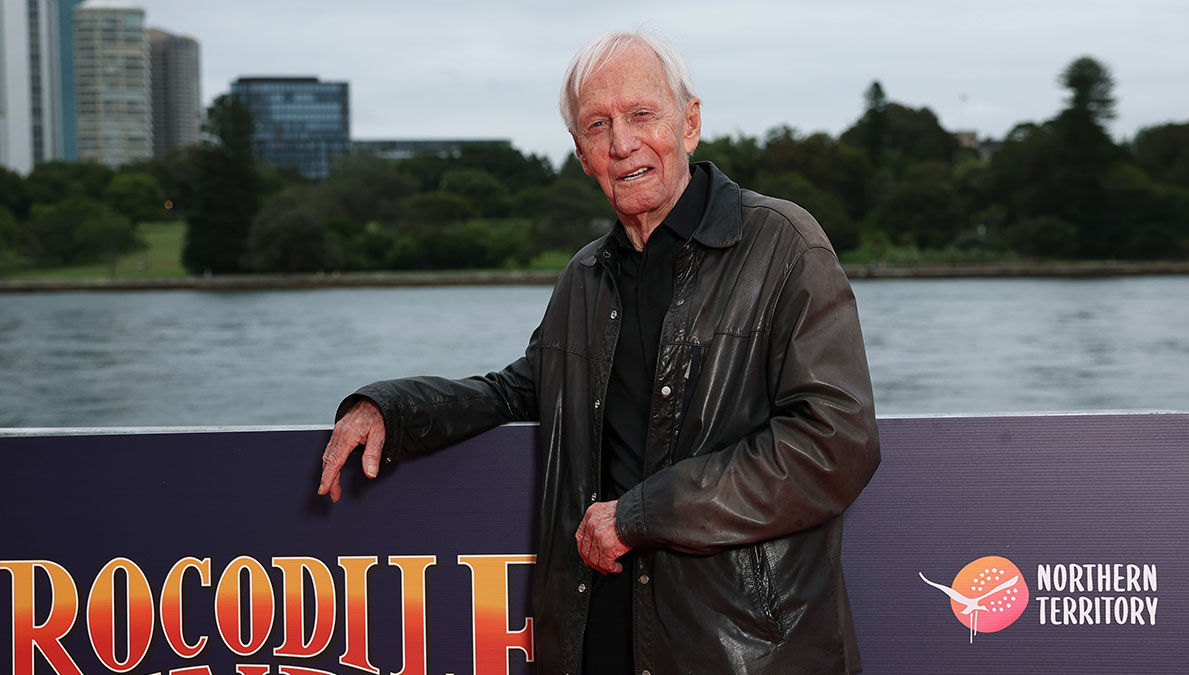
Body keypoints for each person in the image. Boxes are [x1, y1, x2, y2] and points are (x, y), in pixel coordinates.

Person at [319, 30, 880, 675]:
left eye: (642, 115)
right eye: (598, 126)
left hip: (746, 651)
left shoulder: (784, 246)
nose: (622, 144)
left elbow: (837, 444)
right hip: (600, 637)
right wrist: (391, 410)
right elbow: (522, 389)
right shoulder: (585, 277)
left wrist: (643, 514)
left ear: (689, 122)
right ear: (582, 155)